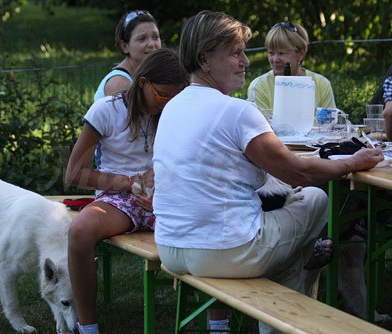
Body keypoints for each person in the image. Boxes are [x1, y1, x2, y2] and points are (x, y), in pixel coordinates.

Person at [152, 11, 384, 334]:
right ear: (205, 59)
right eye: (236, 53)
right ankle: (286, 311)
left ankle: (286, 299)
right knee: (315, 199)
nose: (246, 61)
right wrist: (351, 163)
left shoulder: (173, 107)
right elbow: (297, 172)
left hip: (171, 247)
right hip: (225, 251)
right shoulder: (237, 112)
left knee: (286, 239)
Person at [66, 48, 188, 334]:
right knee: (80, 231)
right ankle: (88, 327)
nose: (167, 104)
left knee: (212, 219)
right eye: (162, 96)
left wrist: (158, 184)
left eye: (175, 98)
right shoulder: (106, 110)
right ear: (142, 82)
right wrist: (129, 183)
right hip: (119, 200)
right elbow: (74, 174)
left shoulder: (175, 111)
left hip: (167, 198)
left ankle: (217, 324)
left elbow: (186, 160)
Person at [247, 21, 336, 111]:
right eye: (271, 53)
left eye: (282, 53)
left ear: (301, 53)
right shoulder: (259, 87)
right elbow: (261, 124)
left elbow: (332, 123)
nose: (275, 59)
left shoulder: (321, 85)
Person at [93, 10, 161, 101]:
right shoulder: (119, 84)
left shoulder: (150, 74)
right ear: (124, 46)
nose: (152, 44)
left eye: (155, 37)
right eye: (142, 39)